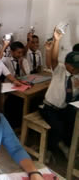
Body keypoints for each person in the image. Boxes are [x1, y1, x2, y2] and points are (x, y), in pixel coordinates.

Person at [40, 29, 79, 159]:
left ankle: (65, 146)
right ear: (67, 65)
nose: (76, 69)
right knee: (57, 127)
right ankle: (50, 151)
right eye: (74, 67)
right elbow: (54, 58)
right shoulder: (59, 70)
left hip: (64, 108)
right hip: (49, 108)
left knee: (72, 124)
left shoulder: (76, 76)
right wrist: (57, 40)